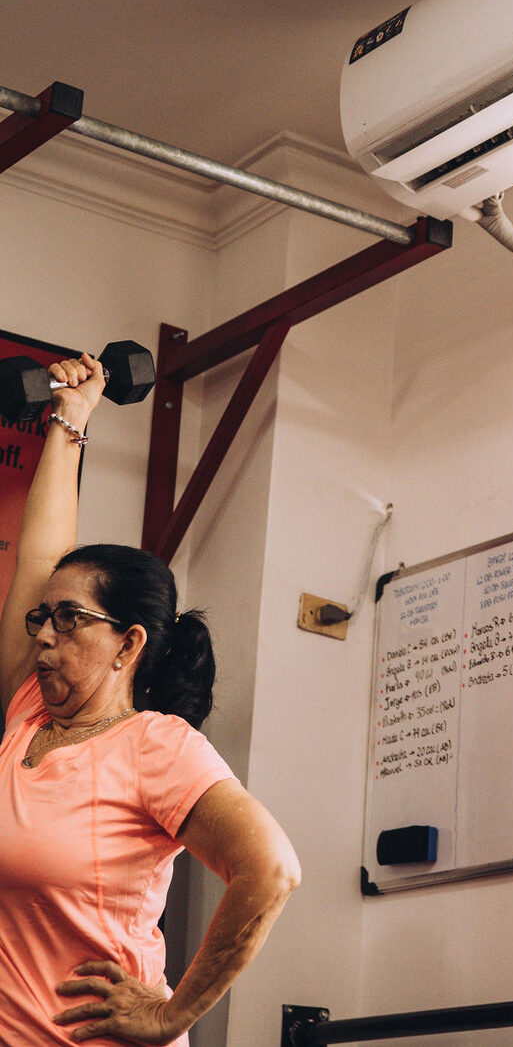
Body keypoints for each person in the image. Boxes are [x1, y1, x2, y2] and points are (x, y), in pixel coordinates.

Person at [0, 352, 301, 1045]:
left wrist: (171, 1013)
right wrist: (69, 420)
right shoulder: (27, 716)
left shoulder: (155, 745)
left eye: (69, 619)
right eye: (41, 618)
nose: (45, 634)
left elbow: (271, 868)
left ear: (128, 643)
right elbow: (39, 555)